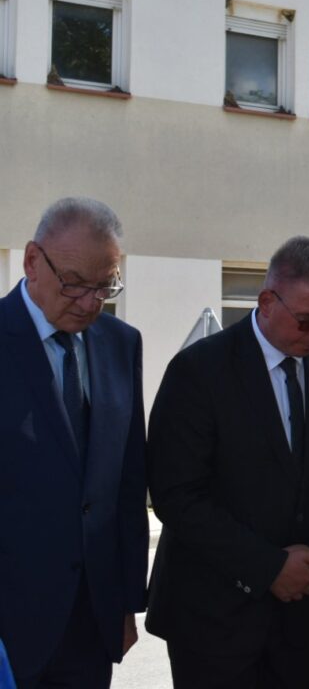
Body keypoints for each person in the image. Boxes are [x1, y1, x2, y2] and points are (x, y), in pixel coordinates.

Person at [146, 236, 309, 688]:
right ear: (267, 301)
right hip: (213, 618)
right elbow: (175, 495)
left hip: (301, 615)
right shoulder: (199, 370)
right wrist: (268, 568)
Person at [0, 198, 147, 689]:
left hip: (91, 622)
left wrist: (126, 602)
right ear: (31, 262)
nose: (90, 302)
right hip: (9, 626)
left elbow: (127, 482)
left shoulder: (122, 344)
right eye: (75, 283)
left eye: (105, 286)